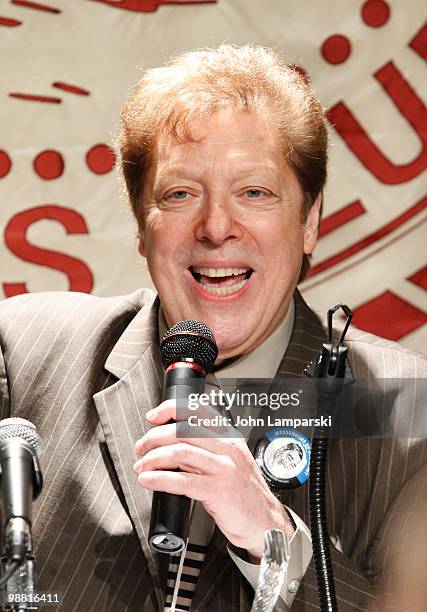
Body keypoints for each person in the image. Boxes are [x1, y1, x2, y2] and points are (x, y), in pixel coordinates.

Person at [0, 45, 425, 612]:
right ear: (140, 226)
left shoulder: (406, 415)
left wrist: (274, 540)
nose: (216, 227)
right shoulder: (26, 354)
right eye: (180, 194)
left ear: (309, 221)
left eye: (254, 192)